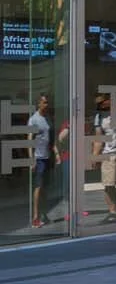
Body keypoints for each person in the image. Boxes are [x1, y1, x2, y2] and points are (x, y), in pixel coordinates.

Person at [28, 93, 65, 228]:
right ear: (38, 104)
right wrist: (31, 159)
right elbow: (29, 140)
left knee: (44, 188)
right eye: (44, 102)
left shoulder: (48, 118)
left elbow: (51, 138)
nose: (46, 105)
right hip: (38, 158)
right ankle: (35, 217)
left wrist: (56, 153)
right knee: (38, 187)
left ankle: (43, 214)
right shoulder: (33, 119)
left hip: (48, 157)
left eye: (47, 102)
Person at [94, 93, 116, 222]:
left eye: (102, 102)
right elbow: (99, 138)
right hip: (109, 154)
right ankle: (113, 211)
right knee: (108, 184)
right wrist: (95, 156)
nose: (100, 106)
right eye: (98, 104)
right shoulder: (99, 117)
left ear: (109, 100)